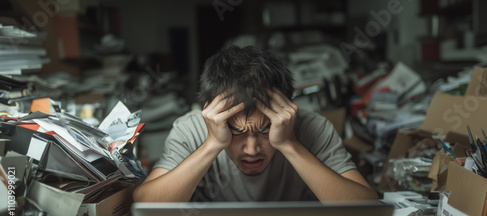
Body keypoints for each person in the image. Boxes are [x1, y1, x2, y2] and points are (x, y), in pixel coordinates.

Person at [133, 45, 378, 203]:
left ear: (287, 111)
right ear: (211, 114)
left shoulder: (313, 127)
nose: (252, 150)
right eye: (236, 131)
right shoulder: (190, 129)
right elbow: (146, 203)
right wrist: (212, 144)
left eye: (265, 129)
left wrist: (289, 143)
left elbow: (366, 206)